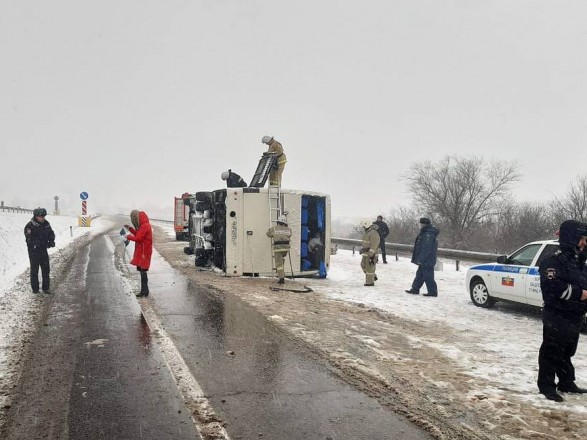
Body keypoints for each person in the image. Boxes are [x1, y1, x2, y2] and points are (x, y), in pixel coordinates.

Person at [537, 219, 587, 402]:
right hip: (557, 314)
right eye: (582, 239)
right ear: (572, 238)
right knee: (551, 351)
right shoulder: (553, 261)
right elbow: (552, 290)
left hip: (575, 315)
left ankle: (566, 382)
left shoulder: (579, 261)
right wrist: (580, 294)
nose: (584, 243)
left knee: (567, 351)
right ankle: (546, 386)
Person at [24, 207, 55, 294]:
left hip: (43, 251)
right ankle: (35, 289)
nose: (42, 218)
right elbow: (29, 240)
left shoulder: (46, 224)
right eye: (40, 216)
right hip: (34, 252)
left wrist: (51, 240)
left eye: (43, 216)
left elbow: (51, 233)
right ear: (36, 216)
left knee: (46, 269)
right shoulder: (29, 226)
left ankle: (46, 288)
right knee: (34, 270)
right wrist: (41, 243)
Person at [405, 217, 439, 297]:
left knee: (428, 276)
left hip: (427, 259)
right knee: (420, 274)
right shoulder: (426, 232)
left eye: (421, 224)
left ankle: (432, 292)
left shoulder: (428, 234)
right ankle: (415, 289)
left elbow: (426, 248)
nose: (420, 225)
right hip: (425, 259)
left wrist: (421, 258)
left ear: (424, 224)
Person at [123, 210, 153, 297]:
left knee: (143, 271)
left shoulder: (145, 226)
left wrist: (127, 236)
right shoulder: (143, 225)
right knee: (142, 271)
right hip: (142, 251)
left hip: (144, 252)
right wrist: (130, 229)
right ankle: (144, 290)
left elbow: (138, 238)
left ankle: (145, 290)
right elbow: (138, 234)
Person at [266, 214, 292, 284]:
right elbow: (290, 235)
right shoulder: (289, 229)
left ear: (278, 222)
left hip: (278, 248)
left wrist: (271, 232)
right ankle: (282, 273)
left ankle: (281, 279)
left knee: (279, 264)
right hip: (286, 249)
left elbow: (268, 234)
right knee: (281, 261)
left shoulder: (274, 228)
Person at [359, 219, 380, 286]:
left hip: (371, 254)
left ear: (367, 224)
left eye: (364, 226)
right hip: (365, 253)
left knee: (369, 268)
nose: (363, 227)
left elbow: (374, 244)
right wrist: (363, 250)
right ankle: (373, 276)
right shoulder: (367, 232)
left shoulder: (373, 233)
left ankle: (370, 282)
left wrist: (371, 254)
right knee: (363, 265)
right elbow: (366, 243)